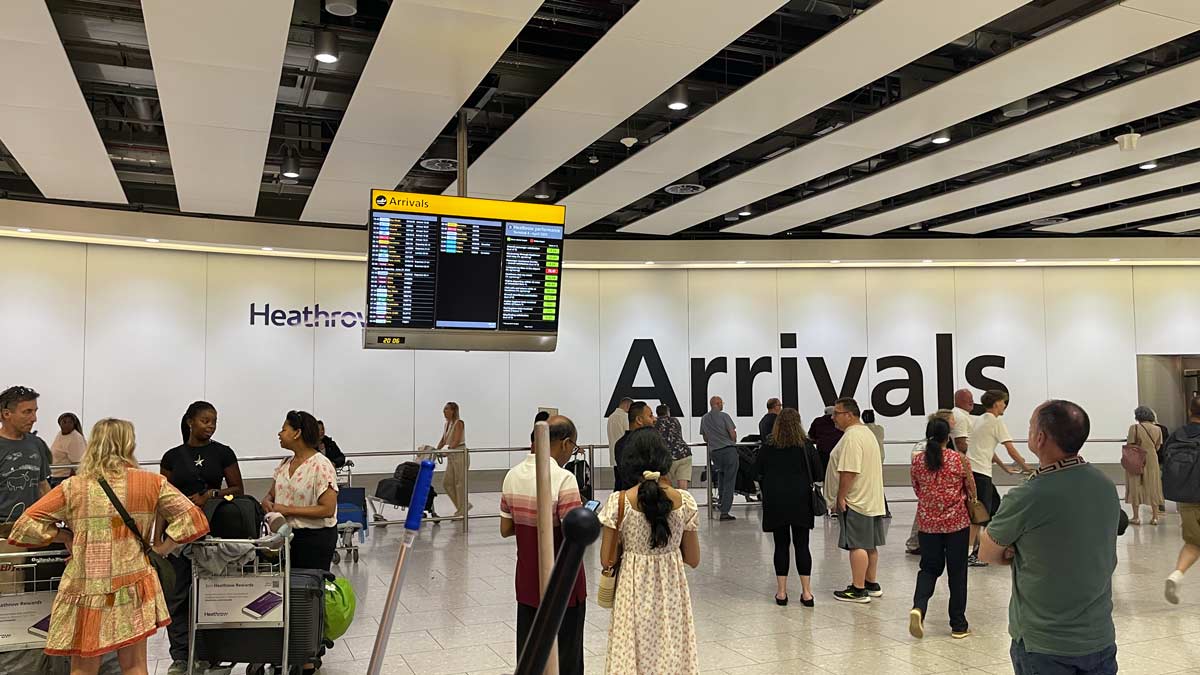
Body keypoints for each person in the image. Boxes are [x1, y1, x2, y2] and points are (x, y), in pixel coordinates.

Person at [7, 418, 208, 675]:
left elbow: (24, 526)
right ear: (128, 444)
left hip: (85, 584)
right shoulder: (151, 483)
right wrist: (163, 548)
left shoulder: (73, 487)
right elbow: (193, 519)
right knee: (135, 666)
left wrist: (65, 536)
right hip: (134, 583)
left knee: (83, 666)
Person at [980, 400, 1119, 675]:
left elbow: (987, 552)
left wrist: (1016, 549)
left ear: (1040, 438)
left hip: (1044, 645)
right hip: (1099, 637)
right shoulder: (1105, 485)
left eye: (1031, 427)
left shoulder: (1029, 495)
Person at [599, 429, 700, 674]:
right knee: (671, 647)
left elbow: (607, 558)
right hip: (671, 591)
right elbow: (694, 559)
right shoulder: (684, 501)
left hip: (631, 589)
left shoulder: (619, 501)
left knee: (631, 648)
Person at [159, 401, 244, 675]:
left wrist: (212, 495)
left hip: (211, 534)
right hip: (176, 536)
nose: (211, 425)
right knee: (177, 596)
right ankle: (181, 656)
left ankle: (211, 655)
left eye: (214, 421)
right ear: (190, 422)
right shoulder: (172, 457)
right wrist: (155, 539)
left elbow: (237, 490)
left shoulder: (223, 453)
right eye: (205, 420)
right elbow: (161, 499)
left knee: (213, 594)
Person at [500, 415, 586, 675]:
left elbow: (506, 529)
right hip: (563, 583)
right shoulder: (563, 479)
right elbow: (575, 532)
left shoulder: (512, 475)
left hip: (527, 581)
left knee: (530, 653)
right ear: (566, 443)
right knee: (567, 655)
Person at [909, 417, 975, 640]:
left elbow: (917, 489)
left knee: (928, 568)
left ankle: (919, 607)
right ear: (949, 436)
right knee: (957, 572)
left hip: (928, 525)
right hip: (957, 523)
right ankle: (958, 624)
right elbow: (971, 490)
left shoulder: (918, 461)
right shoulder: (959, 460)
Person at [825, 397, 886, 603]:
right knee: (870, 544)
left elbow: (849, 470)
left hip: (857, 499)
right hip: (871, 497)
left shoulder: (852, 437)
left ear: (849, 414)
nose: (833, 418)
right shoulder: (866, 433)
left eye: (837, 413)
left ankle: (858, 588)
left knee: (857, 544)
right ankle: (871, 582)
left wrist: (840, 497)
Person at [756, 408, 819, 607]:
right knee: (802, 545)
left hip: (776, 501)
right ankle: (807, 592)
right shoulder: (806, 445)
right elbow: (818, 472)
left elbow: (756, 470)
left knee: (780, 545)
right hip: (801, 499)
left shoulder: (768, 445)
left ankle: (781, 592)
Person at [263, 410, 339, 571]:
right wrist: (267, 501)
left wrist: (287, 510)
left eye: (284, 429)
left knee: (306, 590)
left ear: (297, 433)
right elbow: (272, 494)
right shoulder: (285, 464)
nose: (279, 433)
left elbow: (328, 509)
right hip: (284, 536)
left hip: (314, 539)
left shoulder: (321, 465)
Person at [966, 390, 1027, 567]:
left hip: (974, 471)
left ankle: (979, 551)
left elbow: (987, 449)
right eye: (1003, 402)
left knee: (992, 511)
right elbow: (1010, 449)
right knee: (978, 517)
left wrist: (1004, 467)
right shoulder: (996, 421)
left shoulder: (979, 420)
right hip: (981, 473)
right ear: (995, 404)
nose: (1004, 405)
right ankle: (969, 554)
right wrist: (1027, 467)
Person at [0, 386, 52, 593]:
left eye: (35, 411)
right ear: (6, 414)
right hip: (5, 534)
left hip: (32, 530)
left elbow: (43, 485)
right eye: (27, 412)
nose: (34, 418)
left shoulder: (36, 444)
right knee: (8, 594)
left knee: (29, 593)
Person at [1165, 396, 1200, 605]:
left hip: (1186, 499)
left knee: (1193, 542)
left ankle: (1177, 574)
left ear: (1189, 411)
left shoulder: (1178, 434)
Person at [907, 410, 957, 555]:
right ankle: (915, 542)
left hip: (929, 497)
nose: (955, 422)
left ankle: (917, 542)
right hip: (934, 496)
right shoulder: (923, 448)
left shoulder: (948, 443)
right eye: (952, 420)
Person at [700, 396, 738, 521]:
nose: (723, 405)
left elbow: (705, 438)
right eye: (722, 402)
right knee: (729, 481)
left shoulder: (704, 418)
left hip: (714, 453)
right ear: (718, 403)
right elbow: (732, 433)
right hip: (728, 450)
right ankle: (725, 511)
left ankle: (720, 502)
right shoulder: (724, 416)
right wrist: (732, 442)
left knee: (721, 478)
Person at [1125, 405, 1164, 526]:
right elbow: (1158, 446)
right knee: (1153, 485)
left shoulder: (1134, 428)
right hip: (1152, 457)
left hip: (1137, 458)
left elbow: (1130, 444)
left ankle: (1136, 517)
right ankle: (1155, 517)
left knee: (1135, 484)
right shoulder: (1157, 429)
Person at [436, 402, 470, 517]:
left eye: (447, 409)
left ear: (453, 411)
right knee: (447, 483)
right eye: (444, 409)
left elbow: (456, 440)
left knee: (459, 483)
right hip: (451, 455)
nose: (444, 411)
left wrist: (447, 450)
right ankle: (464, 506)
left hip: (460, 453)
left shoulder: (459, 423)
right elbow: (443, 440)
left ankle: (461, 510)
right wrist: (435, 450)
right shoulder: (447, 424)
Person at [614, 401, 656, 490]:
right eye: (650, 416)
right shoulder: (645, 444)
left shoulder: (620, 444)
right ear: (639, 420)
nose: (654, 419)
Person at [655, 405, 692, 489]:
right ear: (668, 412)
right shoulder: (675, 420)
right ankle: (684, 500)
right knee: (683, 482)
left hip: (667, 456)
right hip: (684, 453)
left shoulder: (655, 422)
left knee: (666, 483)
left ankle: (669, 500)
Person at [49, 412, 86, 487]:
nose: (67, 424)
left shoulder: (75, 438)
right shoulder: (60, 434)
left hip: (64, 479)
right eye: (64, 422)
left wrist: (70, 483)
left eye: (70, 422)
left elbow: (77, 464)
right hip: (55, 476)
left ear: (74, 424)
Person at [808, 405, 843, 474]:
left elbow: (811, 435)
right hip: (838, 451)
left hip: (822, 452)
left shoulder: (817, 421)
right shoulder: (840, 421)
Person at [607, 397, 632, 487]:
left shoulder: (611, 417)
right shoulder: (625, 417)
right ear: (627, 405)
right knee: (625, 483)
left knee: (618, 481)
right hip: (625, 455)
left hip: (614, 455)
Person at [952, 389, 975, 454]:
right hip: (967, 459)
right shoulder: (960, 416)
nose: (971, 401)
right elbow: (960, 443)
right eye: (967, 399)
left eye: (971, 398)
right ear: (957, 400)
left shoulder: (961, 414)